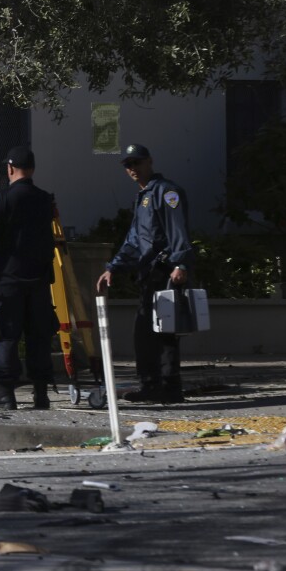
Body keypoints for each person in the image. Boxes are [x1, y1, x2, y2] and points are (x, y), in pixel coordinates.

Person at [94, 143, 194, 403]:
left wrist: (180, 264)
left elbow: (177, 229)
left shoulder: (165, 192)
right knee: (148, 333)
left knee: (162, 333)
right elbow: (135, 239)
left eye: (137, 163)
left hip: (164, 272)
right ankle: (155, 386)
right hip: (149, 273)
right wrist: (113, 267)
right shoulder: (144, 196)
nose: (132, 169)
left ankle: (167, 387)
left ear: (149, 161)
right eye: (128, 165)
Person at [0, 145, 58, 410]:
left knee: (6, 336)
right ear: (32, 169)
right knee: (38, 336)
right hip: (39, 280)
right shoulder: (45, 200)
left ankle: (5, 394)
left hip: (9, 281)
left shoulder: (2, 200)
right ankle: (41, 394)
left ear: (9, 168)